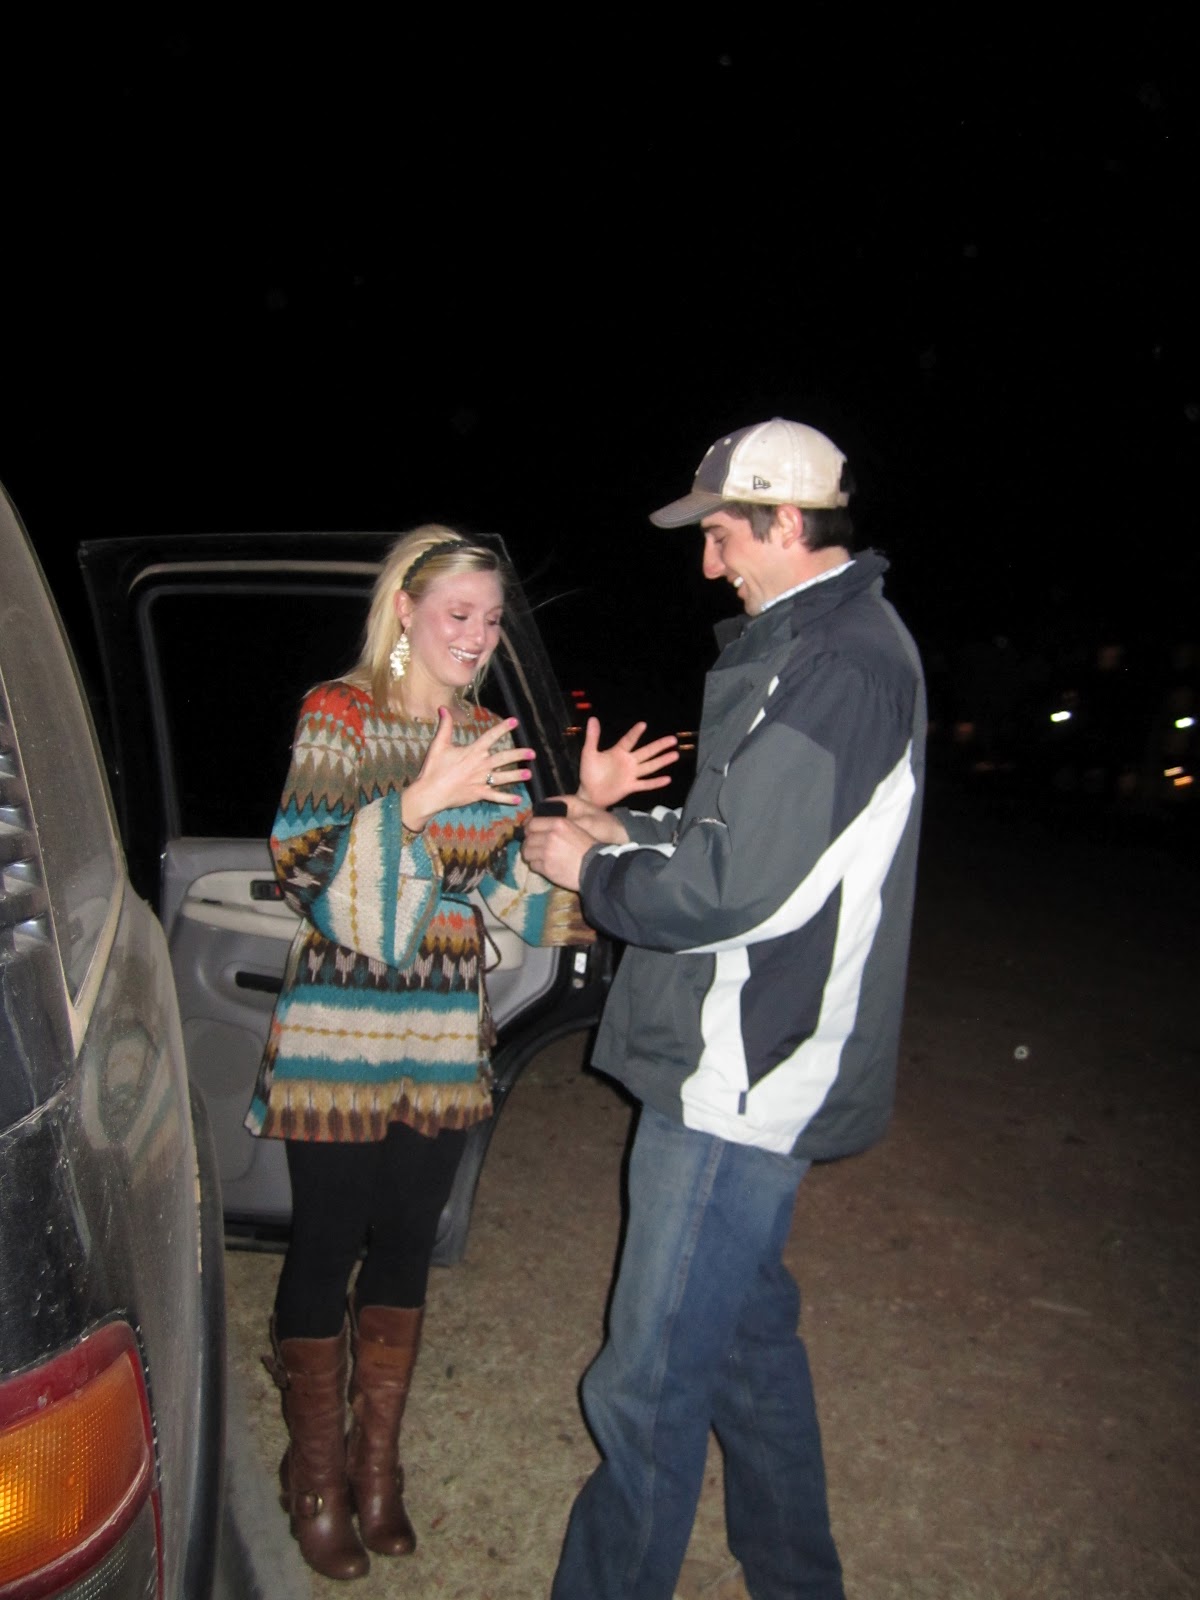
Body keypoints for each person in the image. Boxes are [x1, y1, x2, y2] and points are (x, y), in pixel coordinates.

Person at [522, 419, 927, 1600]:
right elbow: (746, 839)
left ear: (787, 523)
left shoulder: (839, 663)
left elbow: (737, 887)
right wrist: (624, 829)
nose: (709, 562)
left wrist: (591, 870)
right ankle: (798, 1577)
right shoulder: (814, 645)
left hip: (744, 1067)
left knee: (645, 1383)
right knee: (748, 1353)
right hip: (746, 1050)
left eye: (722, 535)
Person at [244, 525, 676, 1580]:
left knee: (405, 1243)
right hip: (340, 1025)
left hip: (440, 1026)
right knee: (327, 1242)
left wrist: (588, 811)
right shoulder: (338, 714)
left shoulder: (487, 733)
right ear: (405, 608)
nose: (478, 635)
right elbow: (304, 869)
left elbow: (512, 896)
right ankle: (315, 1472)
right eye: (459, 614)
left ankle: (377, 1465)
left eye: (490, 619)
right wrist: (416, 802)